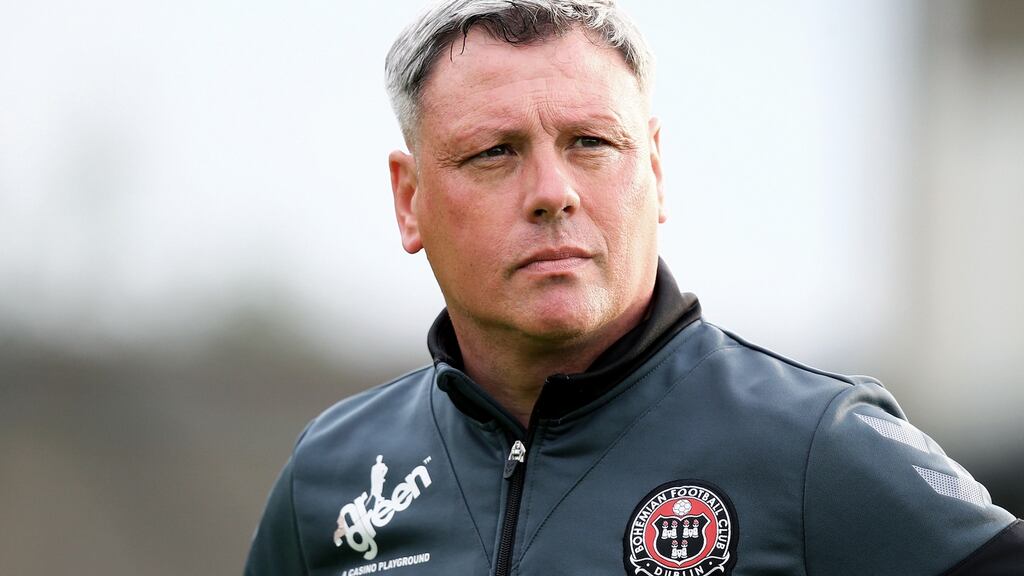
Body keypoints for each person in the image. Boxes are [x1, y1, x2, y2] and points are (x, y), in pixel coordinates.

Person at [245, 1, 1023, 574]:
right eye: (494, 153)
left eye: (590, 143)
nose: (553, 191)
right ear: (409, 200)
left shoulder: (818, 447)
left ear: (653, 167)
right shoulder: (335, 476)